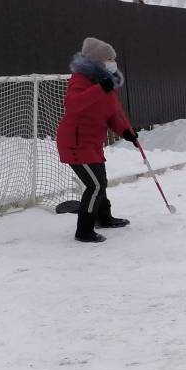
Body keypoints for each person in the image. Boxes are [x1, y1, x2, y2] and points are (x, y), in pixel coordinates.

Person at [56, 36, 137, 243]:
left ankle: (104, 218)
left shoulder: (105, 84)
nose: (113, 62)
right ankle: (84, 230)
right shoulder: (80, 81)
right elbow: (74, 105)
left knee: (100, 183)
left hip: (91, 143)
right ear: (98, 61)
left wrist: (126, 132)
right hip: (75, 142)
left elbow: (112, 114)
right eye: (110, 58)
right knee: (95, 186)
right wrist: (102, 87)